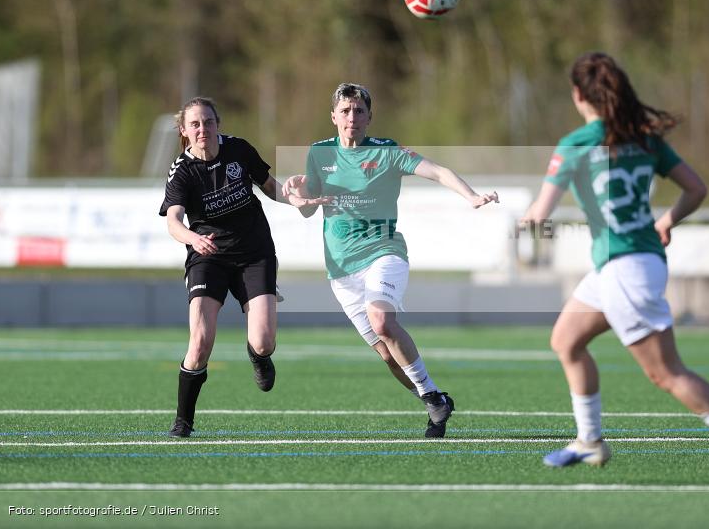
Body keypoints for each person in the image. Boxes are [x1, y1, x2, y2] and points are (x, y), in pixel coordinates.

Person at [522, 52, 709, 485]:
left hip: (625, 272)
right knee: (566, 341)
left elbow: (540, 215)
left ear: (578, 95)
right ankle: (589, 441)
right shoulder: (645, 139)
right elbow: (696, 189)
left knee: (666, 372)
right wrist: (667, 220)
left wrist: (520, 223)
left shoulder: (575, 145)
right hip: (630, 264)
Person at [282, 82, 499, 438]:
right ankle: (436, 400)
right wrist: (299, 197)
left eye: (360, 111)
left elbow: (439, 171)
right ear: (334, 116)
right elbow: (309, 208)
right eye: (346, 111)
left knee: (382, 320)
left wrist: (471, 196)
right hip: (340, 269)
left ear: (369, 117)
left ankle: (430, 397)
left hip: (384, 251)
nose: (353, 118)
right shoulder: (319, 153)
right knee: (387, 354)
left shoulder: (386, 152)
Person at [158, 96, 326, 438]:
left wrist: (296, 200)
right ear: (184, 131)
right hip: (209, 257)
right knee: (201, 341)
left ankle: (259, 357)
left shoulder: (239, 150)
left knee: (263, 341)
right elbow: (173, 221)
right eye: (195, 124)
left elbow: (270, 187)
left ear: (217, 123)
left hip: (254, 253)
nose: (202, 129)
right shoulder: (182, 171)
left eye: (208, 122)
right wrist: (192, 238)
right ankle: (183, 420)